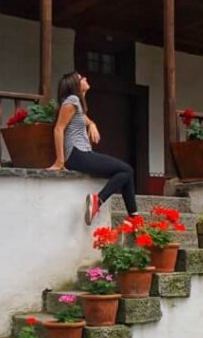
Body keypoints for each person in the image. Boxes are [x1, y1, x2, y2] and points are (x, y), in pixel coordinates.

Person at [47, 70, 138, 224]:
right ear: (74, 85)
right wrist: (59, 162)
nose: (85, 78)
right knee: (126, 170)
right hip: (77, 154)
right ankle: (98, 201)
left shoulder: (78, 103)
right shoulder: (72, 100)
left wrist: (92, 124)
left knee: (126, 173)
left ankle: (134, 219)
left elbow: (83, 118)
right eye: (81, 78)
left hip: (82, 153)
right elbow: (58, 129)